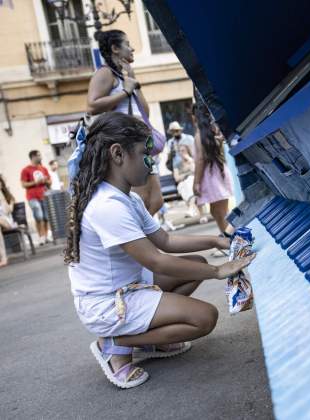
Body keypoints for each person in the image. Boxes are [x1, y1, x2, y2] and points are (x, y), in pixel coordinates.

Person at [65, 112, 255, 389]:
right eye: (145, 153)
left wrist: (216, 241)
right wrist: (217, 271)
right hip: (107, 304)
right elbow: (156, 260)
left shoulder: (126, 198)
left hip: (128, 286)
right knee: (204, 318)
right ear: (118, 154)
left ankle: (149, 337)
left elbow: (165, 241)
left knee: (194, 265)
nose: (152, 162)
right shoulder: (107, 205)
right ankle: (116, 343)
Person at [86, 29, 163, 215]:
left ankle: (143, 237)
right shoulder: (105, 73)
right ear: (115, 48)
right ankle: (138, 241)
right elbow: (92, 105)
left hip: (140, 141)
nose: (132, 48)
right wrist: (125, 92)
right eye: (127, 44)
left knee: (156, 200)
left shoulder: (125, 74)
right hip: (126, 143)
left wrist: (133, 83)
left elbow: (145, 111)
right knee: (141, 199)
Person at [193, 103, 234, 237]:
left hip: (211, 176)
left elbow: (200, 160)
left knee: (220, 214)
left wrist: (196, 183)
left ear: (196, 117)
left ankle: (234, 242)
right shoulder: (213, 131)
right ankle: (228, 241)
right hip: (218, 173)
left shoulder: (200, 135)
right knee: (218, 212)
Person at [20, 150, 51, 246]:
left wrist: (45, 181)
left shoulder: (43, 169)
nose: (41, 157)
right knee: (39, 216)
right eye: (39, 155)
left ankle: (46, 236)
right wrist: (35, 182)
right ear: (33, 157)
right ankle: (41, 237)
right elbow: (23, 184)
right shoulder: (26, 170)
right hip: (32, 197)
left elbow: (50, 183)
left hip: (44, 196)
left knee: (46, 217)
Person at [173, 144, 200, 218]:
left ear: (188, 151)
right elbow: (177, 178)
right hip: (182, 184)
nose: (182, 152)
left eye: (183, 150)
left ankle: (191, 209)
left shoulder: (192, 160)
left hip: (192, 182)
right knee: (187, 183)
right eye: (180, 151)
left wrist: (190, 160)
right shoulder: (177, 164)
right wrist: (187, 175)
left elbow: (195, 171)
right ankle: (194, 211)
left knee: (190, 180)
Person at [0, 174, 17, 268]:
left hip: (8, 221)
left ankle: (4, 258)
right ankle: (3, 257)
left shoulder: (6, 195)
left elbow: (8, 210)